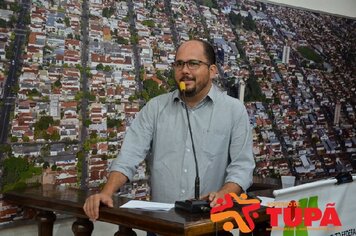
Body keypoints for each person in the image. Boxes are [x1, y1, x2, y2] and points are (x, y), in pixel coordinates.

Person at [83, 39, 255, 222]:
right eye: (179, 64)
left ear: (212, 71)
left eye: (193, 64)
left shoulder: (233, 110)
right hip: (162, 225)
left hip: (210, 223)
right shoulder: (155, 108)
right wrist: (106, 192)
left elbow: (242, 167)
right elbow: (129, 155)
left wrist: (224, 194)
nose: (185, 71)